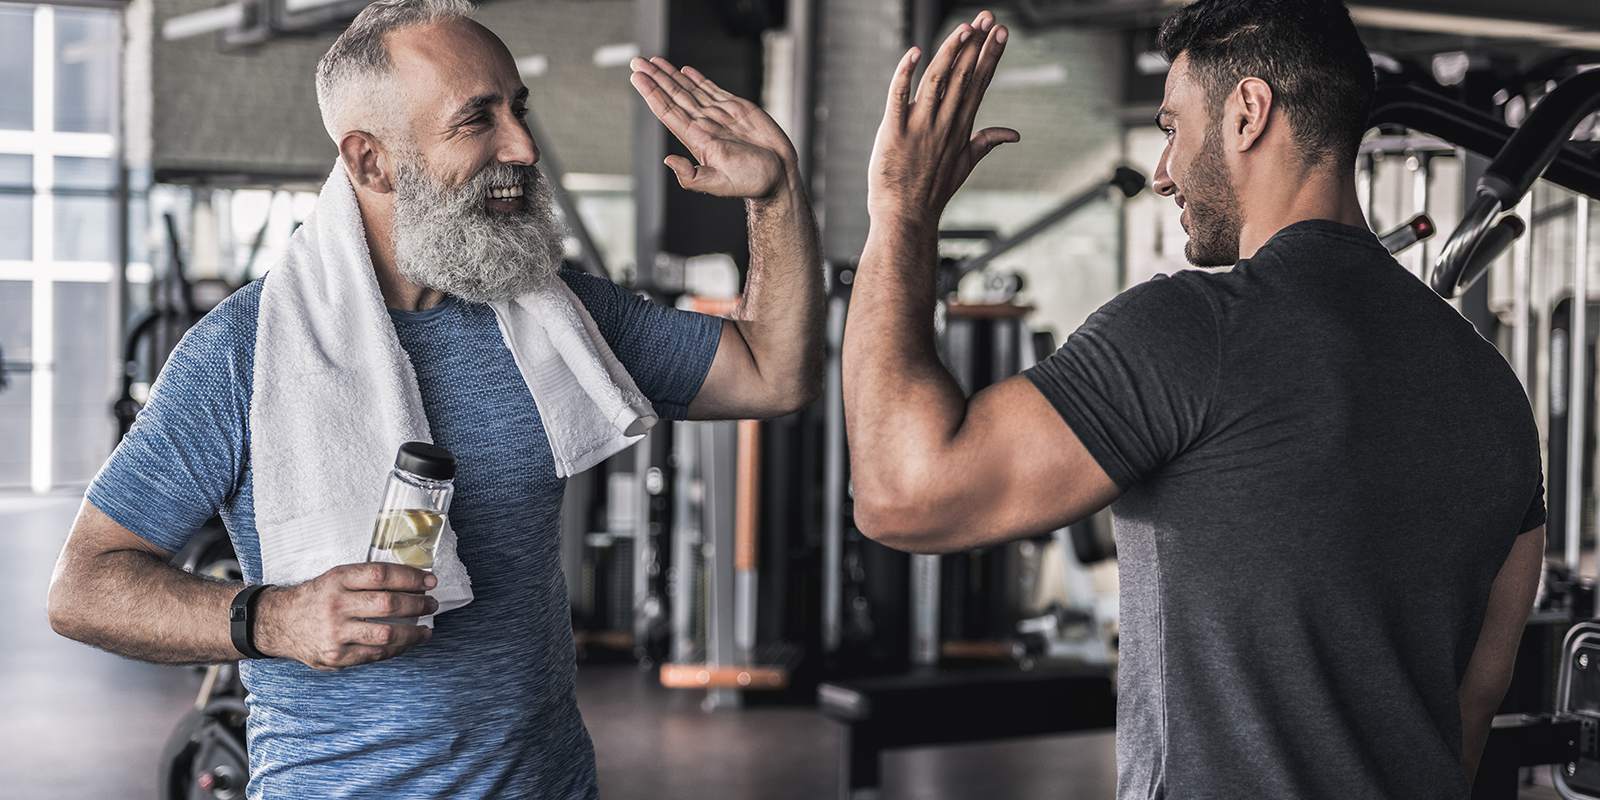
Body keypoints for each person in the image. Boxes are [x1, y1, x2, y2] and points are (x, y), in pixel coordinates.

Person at [45, 0, 822, 796]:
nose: (522, 146)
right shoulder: (243, 353)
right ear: (371, 162)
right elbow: (83, 587)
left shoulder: (558, 316)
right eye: (475, 121)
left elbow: (774, 371)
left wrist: (776, 194)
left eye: (518, 109)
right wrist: (272, 619)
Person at [844, 3, 1544, 798]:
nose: (1164, 170)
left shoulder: (1193, 328)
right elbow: (1474, 703)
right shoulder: (1494, 390)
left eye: (1172, 126)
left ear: (1248, 113)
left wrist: (899, 213)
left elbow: (899, 497)